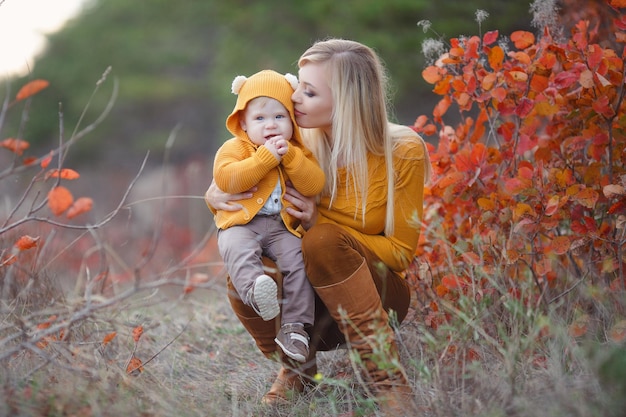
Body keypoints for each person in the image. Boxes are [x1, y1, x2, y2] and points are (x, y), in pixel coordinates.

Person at [206, 39, 431, 414]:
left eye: (307, 92)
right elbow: (237, 174)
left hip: (378, 295)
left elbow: (401, 254)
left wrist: (319, 221)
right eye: (297, 89)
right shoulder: (291, 139)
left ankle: (387, 380)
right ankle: (297, 369)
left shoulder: (403, 151)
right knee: (247, 265)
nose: (292, 101)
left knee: (322, 240)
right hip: (311, 297)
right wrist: (213, 195)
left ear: (345, 101)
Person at [210, 69, 325, 363]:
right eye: (260, 119)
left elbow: (314, 184)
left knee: (298, 262)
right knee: (237, 251)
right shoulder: (234, 149)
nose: (270, 125)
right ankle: (256, 291)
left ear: (291, 121)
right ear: (244, 124)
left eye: (279, 117)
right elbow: (226, 180)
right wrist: (264, 159)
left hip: (280, 226)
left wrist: (290, 157)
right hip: (241, 224)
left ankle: (296, 328)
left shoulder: (297, 151)